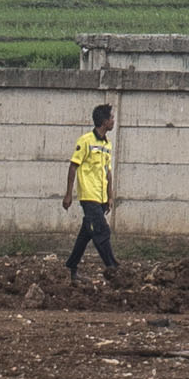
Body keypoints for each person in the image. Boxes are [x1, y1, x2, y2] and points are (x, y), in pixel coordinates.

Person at [64, 102, 118, 284]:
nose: (113, 121)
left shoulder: (107, 144)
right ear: (104, 121)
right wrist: (69, 194)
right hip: (89, 196)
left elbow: (107, 172)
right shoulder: (85, 141)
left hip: (101, 197)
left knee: (86, 233)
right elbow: (73, 167)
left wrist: (110, 196)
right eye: (111, 118)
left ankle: (71, 268)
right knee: (102, 231)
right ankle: (113, 268)